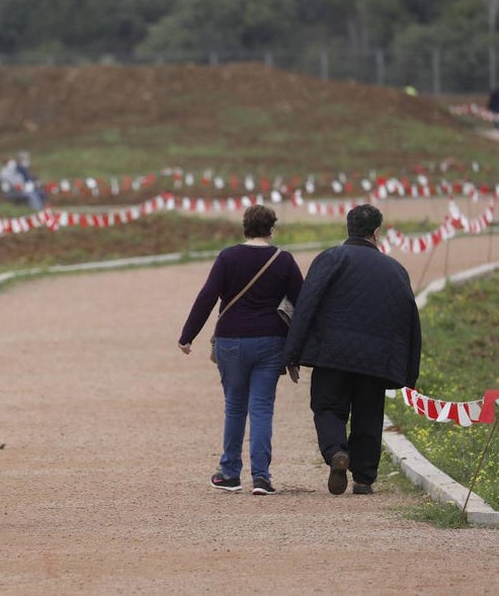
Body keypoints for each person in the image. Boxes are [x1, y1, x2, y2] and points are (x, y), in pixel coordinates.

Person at [283, 204, 421, 496]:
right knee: (368, 414)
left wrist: (292, 352)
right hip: (376, 360)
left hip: (330, 354)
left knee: (328, 407)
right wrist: (409, 371)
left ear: (349, 228)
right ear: (376, 233)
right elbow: (410, 319)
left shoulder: (331, 259)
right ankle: (364, 478)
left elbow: (306, 305)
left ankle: (335, 453)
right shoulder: (396, 270)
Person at [178, 204, 303, 495]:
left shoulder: (228, 257)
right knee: (261, 409)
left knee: (235, 406)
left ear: (244, 227)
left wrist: (188, 335)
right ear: (272, 228)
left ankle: (230, 473)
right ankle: (261, 477)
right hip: (272, 341)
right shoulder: (283, 260)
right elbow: (302, 300)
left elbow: (207, 296)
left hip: (230, 340)